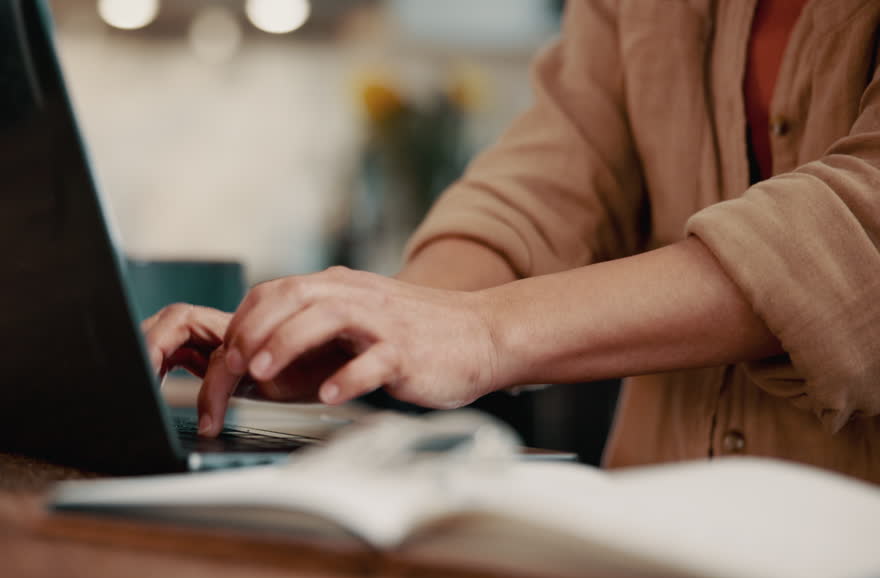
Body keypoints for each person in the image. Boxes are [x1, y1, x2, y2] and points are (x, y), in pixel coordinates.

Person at [142, 0, 880, 480]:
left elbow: (855, 231)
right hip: (645, 568)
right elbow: (547, 185)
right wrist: (373, 322)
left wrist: (484, 331)